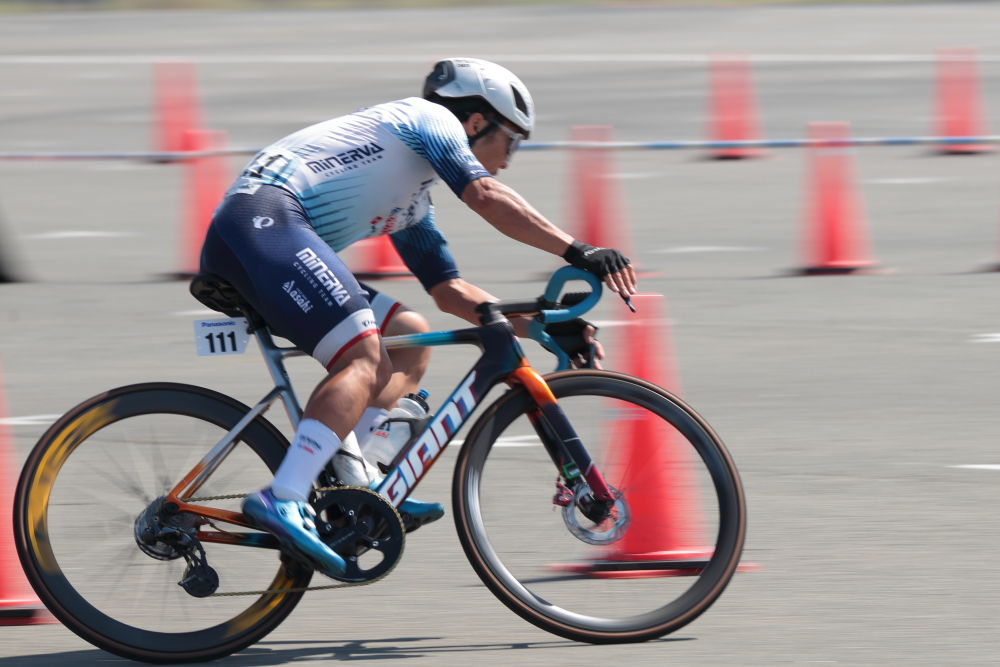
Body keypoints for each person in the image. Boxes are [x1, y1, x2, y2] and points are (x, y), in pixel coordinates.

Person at [198, 58, 637, 580]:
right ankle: (285, 494)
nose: (508, 159)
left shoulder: (410, 199)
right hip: (262, 221)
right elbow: (485, 197)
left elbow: (451, 292)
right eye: (511, 141)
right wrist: (578, 250)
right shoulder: (428, 118)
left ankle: (356, 480)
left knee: (408, 334)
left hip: (265, 237)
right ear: (477, 121)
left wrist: (542, 323)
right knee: (362, 356)